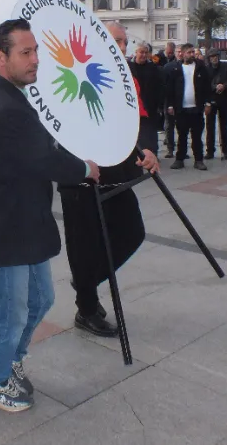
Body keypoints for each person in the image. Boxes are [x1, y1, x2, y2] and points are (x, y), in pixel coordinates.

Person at [0, 18, 98, 413]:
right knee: (12, 312)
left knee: (41, 298)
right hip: (6, 226)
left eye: (35, 51)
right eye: (26, 52)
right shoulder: (2, 103)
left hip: (26, 221)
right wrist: (85, 168)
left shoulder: (11, 94)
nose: (35, 59)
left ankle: (9, 359)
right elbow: (44, 159)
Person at [59, 26, 159, 339]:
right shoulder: (73, 71)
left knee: (132, 232)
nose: (123, 46)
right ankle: (87, 308)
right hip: (81, 175)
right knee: (83, 244)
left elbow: (140, 117)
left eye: (125, 41)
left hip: (118, 174)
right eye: (116, 40)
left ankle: (87, 282)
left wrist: (148, 147)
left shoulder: (127, 76)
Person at [164, 44, 212, 170]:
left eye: (193, 52)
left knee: (197, 136)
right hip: (181, 108)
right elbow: (170, 88)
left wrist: (208, 103)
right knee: (182, 135)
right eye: (189, 52)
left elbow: (207, 86)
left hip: (197, 108)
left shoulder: (201, 67)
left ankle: (199, 160)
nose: (192, 54)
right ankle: (179, 159)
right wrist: (170, 105)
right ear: (183, 54)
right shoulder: (176, 68)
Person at [128, 41, 165, 154]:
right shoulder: (128, 67)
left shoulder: (153, 68)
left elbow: (160, 87)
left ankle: (152, 155)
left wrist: (159, 105)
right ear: (136, 52)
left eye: (146, 52)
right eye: (141, 52)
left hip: (150, 107)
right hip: (133, 107)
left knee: (150, 135)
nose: (144, 55)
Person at [206, 51, 227, 161]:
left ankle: (225, 151)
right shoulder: (206, 68)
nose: (214, 58)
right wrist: (214, 87)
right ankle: (210, 151)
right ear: (209, 58)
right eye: (212, 57)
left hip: (224, 100)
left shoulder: (226, 66)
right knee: (210, 127)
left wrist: (224, 86)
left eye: (216, 56)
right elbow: (204, 84)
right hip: (211, 99)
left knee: (224, 127)